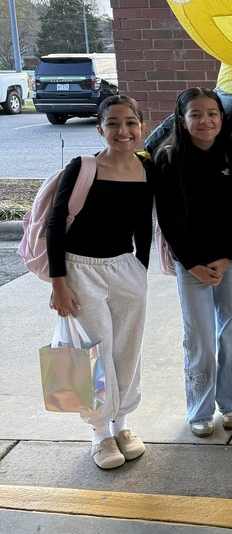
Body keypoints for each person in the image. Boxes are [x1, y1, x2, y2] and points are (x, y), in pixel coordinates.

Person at [47, 95, 153, 469]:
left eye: (130, 123)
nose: (122, 131)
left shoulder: (146, 170)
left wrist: (139, 272)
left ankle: (122, 423)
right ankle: (99, 433)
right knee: (90, 353)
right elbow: (55, 223)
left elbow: (143, 228)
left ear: (142, 128)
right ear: (100, 128)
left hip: (125, 270)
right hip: (80, 270)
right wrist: (59, 283)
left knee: (127, 348)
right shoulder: (84, 167)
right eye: (113, 123)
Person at [153, 88, 232, 437]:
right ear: (182, 120)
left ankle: (231, 402)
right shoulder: (168, 160)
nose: (205, 121)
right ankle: (199, 410)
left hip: (229, 263)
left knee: (230, 331)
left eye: (212, 113)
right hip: (191, 265)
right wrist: (192, 264)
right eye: (195, 114)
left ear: (221, 118)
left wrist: (228, 258)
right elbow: (167, 220)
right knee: (199, 337)